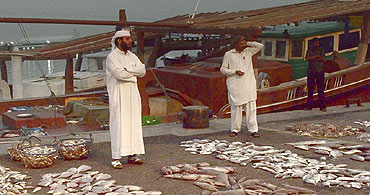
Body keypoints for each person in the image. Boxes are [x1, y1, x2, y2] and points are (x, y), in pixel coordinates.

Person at [106, 29, 146, 169]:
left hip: (132, 94)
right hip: (118, 94)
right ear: (119, 41)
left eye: (130, 38)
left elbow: (142, 71)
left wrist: (128, 70)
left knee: (133, 123)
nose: (130, 41)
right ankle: (116, 157)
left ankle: (133, 154)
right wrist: (133, 73)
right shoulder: (112, 57)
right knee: (119, 123)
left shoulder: (132, 56)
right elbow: (119, 75)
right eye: (127, 39)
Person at [220, 35, 264, 138]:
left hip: (248, 84)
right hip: (236, 85)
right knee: (236, 108)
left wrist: (248, 42)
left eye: (244, 43)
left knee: (251, 108)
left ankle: (253, 130)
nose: (243, 45)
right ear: (235, 44)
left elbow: (260, 46)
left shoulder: (248, 51)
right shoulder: (229, 54)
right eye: (241, 43)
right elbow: (223, 69)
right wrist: (234, 72)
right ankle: (235, 129)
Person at [305, 38, 326, 112]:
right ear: (313, 43)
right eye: (315, 43)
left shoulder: (321, 49)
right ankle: (309, 106)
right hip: (311, 71)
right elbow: (307, 58)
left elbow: (323, 58)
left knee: (321, 89)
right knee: (310, 89)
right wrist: (316, 56)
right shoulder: (309, 50)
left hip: (320, 71)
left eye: (317, 43)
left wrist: (313, 58)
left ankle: (322, 106)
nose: (316, 44)